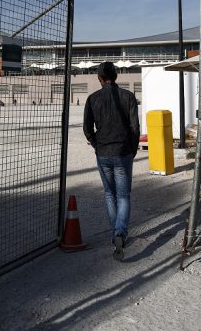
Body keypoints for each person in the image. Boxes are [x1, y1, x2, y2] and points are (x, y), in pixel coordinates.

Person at [83, 61, 140, 261]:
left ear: (99, 78)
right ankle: (120, 232)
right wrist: (132, 150)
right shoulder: (129, 97)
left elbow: (87, 128)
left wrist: (95, 144)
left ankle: (115, 232)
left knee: (110, 194)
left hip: (103, 152)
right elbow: (135, 128)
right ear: (116, 76)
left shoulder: (92, 99)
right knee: (123, 195)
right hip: (123, 151)